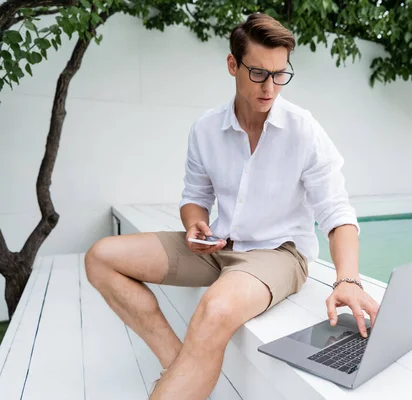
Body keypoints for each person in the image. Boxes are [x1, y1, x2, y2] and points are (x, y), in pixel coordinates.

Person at [84, 12, 380, 400]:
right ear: (232, 65)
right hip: (220, 246)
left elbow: (336, 211)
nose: (270, 87)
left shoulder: (303, 129)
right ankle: (179, 366)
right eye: (258, 73)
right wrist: (195, 225)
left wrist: (347, 279)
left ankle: (177, 381)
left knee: (215, 310)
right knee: (101, 257)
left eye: (279, 74)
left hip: (279, 254)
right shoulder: (206, 129)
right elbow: (195, 197)